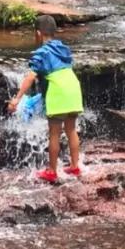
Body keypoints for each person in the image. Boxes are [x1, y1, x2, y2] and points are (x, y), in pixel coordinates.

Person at [7, 15, 83, 183]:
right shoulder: (63, 48)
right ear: (54, 32)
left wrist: (17, 99)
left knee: (54, 133)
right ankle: (75, 166)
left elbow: (30, 77)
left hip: (58, 91)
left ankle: (52, 171)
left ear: (38, 34)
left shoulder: (42, 52)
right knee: (71, 130)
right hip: (73, 87)